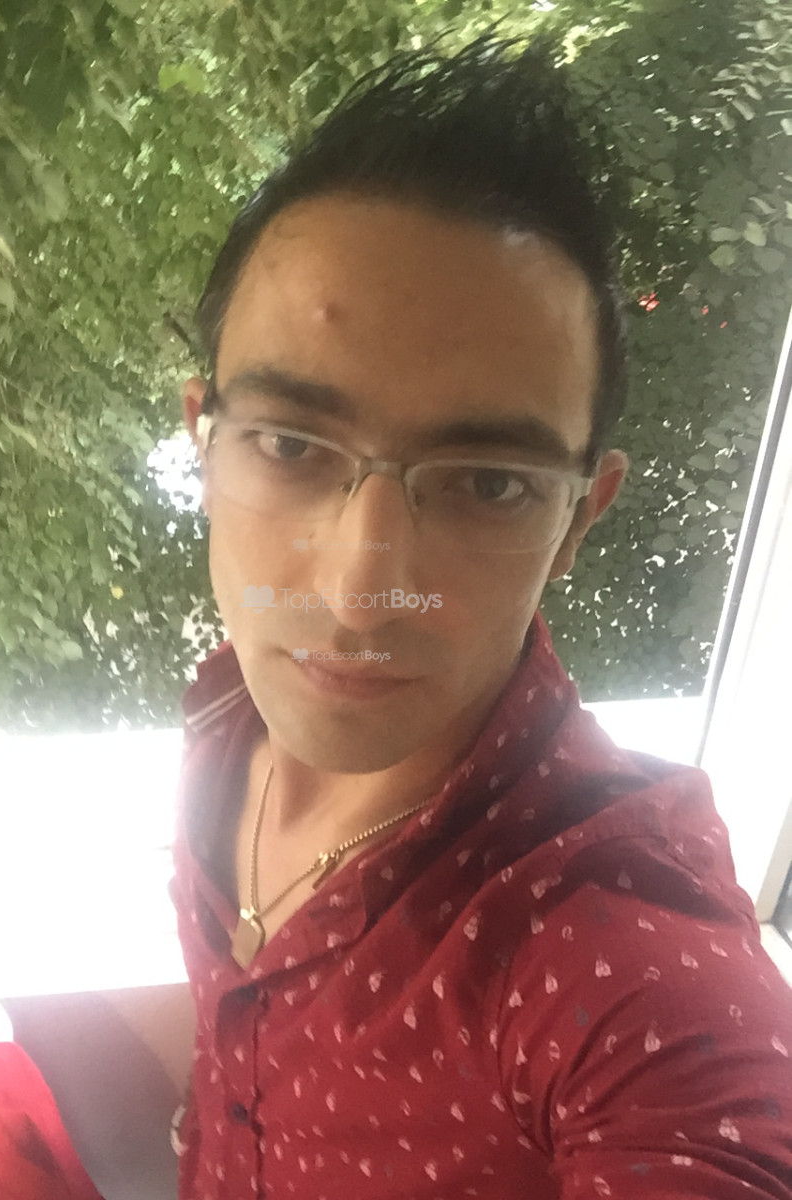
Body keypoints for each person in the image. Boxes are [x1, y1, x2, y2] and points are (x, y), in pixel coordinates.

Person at [169, 32, 792, 1200]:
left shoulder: (614, 950)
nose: (357, 593)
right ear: (205, 439)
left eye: (489, 483)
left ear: (579, 519)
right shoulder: (225, 719)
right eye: (292, 447)